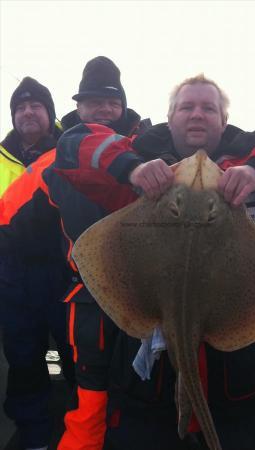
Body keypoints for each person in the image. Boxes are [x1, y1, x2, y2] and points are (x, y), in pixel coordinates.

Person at [1, 71, 255, 450]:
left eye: (208, 108)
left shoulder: (254, 174)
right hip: (148, 376)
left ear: (223, 121)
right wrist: (131, 168)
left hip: (236, 377)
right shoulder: (137, 174)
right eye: (186, 107)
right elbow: (73, 143)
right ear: (169, 117)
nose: (196, 114)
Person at [0, 56, 151, 450]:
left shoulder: (153, 145)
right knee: (65, 372)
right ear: (78, 107)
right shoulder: (61, 154)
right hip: (66, 286)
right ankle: (44, 437)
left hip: (138, 286)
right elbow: (11, 215)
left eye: (111, 102)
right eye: (92, 101)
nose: (102, 109)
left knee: (127, 376)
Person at [0, 77, 75, 450]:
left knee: (73, 356)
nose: (28, 112)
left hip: (65, 274)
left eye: (36, 106)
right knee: (24, 358)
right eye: (20, 107)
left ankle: (81, 428)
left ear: (50, 114)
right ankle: (34, 435)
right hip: (11, 277)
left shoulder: (71, 150)